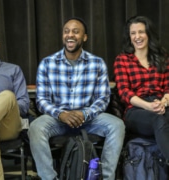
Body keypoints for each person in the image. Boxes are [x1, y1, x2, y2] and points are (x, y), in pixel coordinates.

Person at [28, 17, 125, 180]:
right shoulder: (47, 63)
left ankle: (105, 177)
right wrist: (61, 114)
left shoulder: (97, 63)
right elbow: (42, 100)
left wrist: (84, 114)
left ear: (84, 37)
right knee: (36, 128)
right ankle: (49, 178)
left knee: (117, 125)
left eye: (75, 31)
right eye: (66, 31)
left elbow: (102, 98)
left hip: (89, 119)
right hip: (57, 119)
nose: (70, 35)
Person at [114, 15, 169, 160]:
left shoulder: (162, 57)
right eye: (133, 33)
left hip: (161, 104)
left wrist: (163, 103)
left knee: (163, 117)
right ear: (129, 37)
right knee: (159, 120)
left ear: (148, 34)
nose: (137, 36)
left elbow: (168, 87)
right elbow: (124, 92)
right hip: (136, 110)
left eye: (141, 32)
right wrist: (149, 106)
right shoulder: (123, 60)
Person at [0, 28, 30, 180]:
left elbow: (24, 104)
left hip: (8, 124)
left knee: (7, 95)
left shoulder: (13, 70)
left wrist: (1, 105)